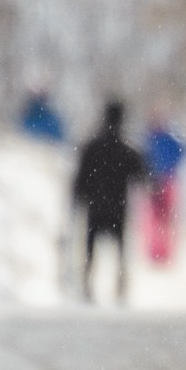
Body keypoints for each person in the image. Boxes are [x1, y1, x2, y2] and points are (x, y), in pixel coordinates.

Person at [70, 101, 146, 304]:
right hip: (118, 208)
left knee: (90, 247)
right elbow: (143, 177)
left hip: (95, 207)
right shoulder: (128, 150)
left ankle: (87, 285)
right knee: (120, 248)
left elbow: (79, 179)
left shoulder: (91, 148)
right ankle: (120, 286)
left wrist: (77, 200)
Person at [141, 115, 186, 267]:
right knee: (162, 219)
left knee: (158, 219)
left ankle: (159, 252)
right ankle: (160, 252)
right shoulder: (162, 139)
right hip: (164, 181)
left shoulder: (152, 140)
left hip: (160, 181)